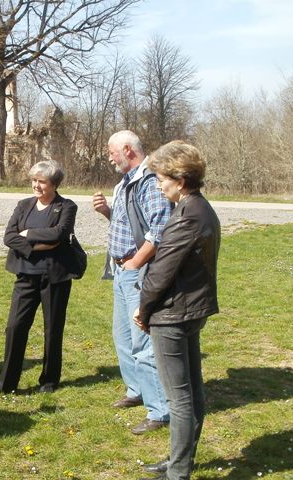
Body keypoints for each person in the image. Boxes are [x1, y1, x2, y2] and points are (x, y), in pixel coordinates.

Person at [134, 141, 220, 480]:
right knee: (192, 393)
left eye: (161, 178)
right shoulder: (201, 208)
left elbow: (161, 272)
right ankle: (178, 462)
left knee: (180, 399)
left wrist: (143, 309)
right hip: (189, 310)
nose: (158, 184)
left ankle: (178, 471)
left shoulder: (186, 216)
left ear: (180, 180)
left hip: (173, 314)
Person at [92, 130, 171, 434]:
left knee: (143, 342)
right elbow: (130, 225)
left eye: (111, 152)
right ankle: (136, 391)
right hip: (121, 272)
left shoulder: (150, 181)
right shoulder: (125, 182)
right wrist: (107, 212)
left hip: (138, 273)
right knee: (123, 337)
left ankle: (159, 410)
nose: (109, 157)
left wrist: (135, 263)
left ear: (126, 150)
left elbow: (159, 230)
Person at [0, 160, 83, 395]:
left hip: (55, 277)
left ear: (54, 184)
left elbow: (59, 233)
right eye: (34, 180)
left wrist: (28, 233)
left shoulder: (66, 206)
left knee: (52, 329)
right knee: (15, 327)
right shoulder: (23, 205)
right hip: (25, 276)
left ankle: (49, 380)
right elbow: (9, 236)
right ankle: (6, 383)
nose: (36, 186)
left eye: (42, 181)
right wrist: (36, 247)